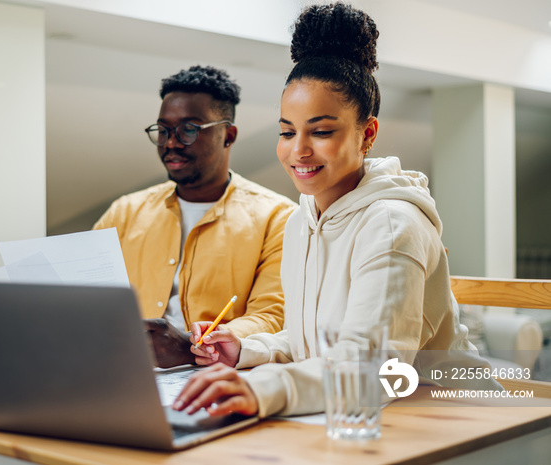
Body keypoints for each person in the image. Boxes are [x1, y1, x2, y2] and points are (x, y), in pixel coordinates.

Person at [172, 2, 500, 418]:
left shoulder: (392, 225)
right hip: (359, 413)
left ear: (368, 135)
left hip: (451, 418)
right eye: (286, 132)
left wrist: (264, 389)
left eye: (322, 131)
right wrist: (245, 350)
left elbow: (373, 368)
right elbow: (312, 341)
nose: (298, 150)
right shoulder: (301, 220)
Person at [93, 65, 297, 368]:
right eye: (163, 130)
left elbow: (273, 315)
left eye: (189, 129)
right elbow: (85, 296)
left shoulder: (278, 217)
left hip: (219, 373)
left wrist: (194, 344)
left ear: (228, 135)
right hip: (122, 368)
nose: (171, 143)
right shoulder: (124, 212)